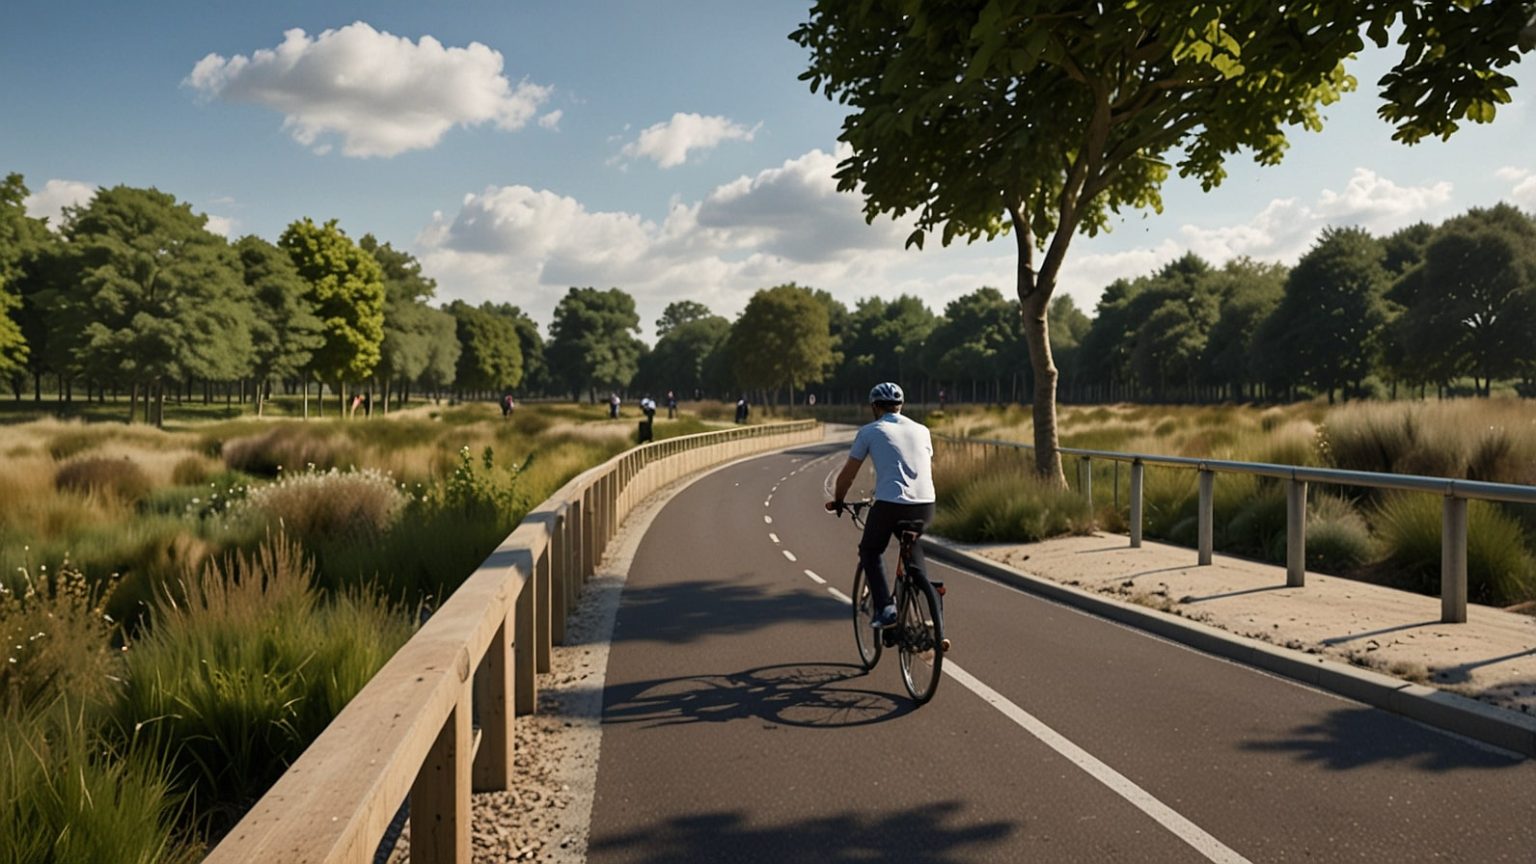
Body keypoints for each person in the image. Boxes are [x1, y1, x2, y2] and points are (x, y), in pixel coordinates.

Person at [825, 382, 935, 630]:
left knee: (870, 550)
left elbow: (847, 476)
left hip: (890, 505)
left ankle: (886, 608)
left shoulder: (869, 431)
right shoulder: (922, 430)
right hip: (926, 504)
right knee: (912, 543)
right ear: (901, 405)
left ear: (875, 407)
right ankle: (928, 610)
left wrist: (839, 500)